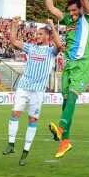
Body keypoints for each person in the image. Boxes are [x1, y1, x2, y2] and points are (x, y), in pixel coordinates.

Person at [45, 0, 89, 158]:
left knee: (72, 97)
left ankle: (60, 129)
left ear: (82, 9)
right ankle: (65, 142)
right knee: (66, 102)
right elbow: (51, 8)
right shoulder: (68, 20)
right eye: (70, 11)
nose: (72, 14)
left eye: (75, 10)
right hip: (68, 64)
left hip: (82, 64)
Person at [5, 17, 63, 166]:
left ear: (48, 37)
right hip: (24, 86)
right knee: (15, 113)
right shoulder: (31, 47)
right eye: (36, 34)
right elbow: (13, 41)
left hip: (38, 91)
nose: (37, 36)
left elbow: (60, 45)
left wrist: (51, 25)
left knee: (32, 120)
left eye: (40, 34)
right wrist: (14, 25)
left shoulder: (51, 51)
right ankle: (11, 144)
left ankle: (25, 152)